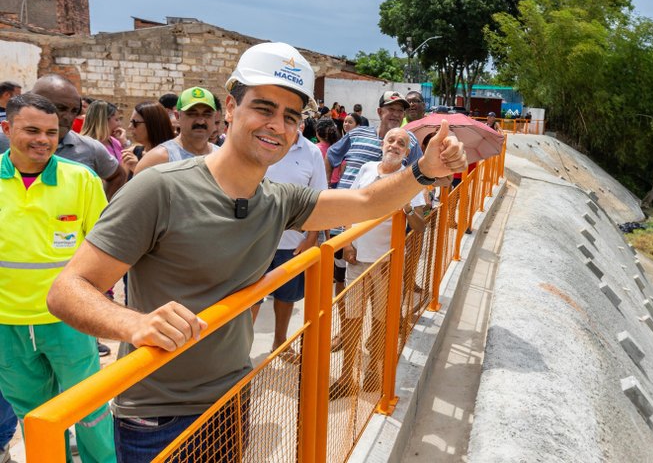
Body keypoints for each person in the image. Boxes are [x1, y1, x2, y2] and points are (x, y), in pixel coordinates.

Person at [46, 41, 467, 460]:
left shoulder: (277, 200)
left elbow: (365, 203)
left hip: (232, 398)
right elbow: (67, 290)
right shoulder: (160, 189)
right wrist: (133, 324)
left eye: (290, 116)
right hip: (159, 416)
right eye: (264, 108)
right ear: (231, 108)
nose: (277, 126)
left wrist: (425, 170)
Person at [0, 93, 115, 462]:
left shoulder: (80, 179)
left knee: (90, 408)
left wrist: (97, 306)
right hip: (7, 325)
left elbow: (105, 246)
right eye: (32, 130)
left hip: (69, 319)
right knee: (34, 415)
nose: (43, 140)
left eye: (51, 132)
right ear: (7, 129)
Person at [332, 127, 428, 396]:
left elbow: (420, 226)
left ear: (407, 152)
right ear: (383, 144)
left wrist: (406, 207)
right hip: (357, 259)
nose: (395, 145)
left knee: (380, 320)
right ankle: (346, 378)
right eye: (391, 140)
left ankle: (373, 369)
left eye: (401, 143)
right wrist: (347, 242)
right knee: (352, 319)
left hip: (387, 263)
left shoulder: (409, 179)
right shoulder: (366, 169)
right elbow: (349, 206)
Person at [251, 125, 328, 352]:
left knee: (287, 297)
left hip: (293, 244)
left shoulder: (312, 152)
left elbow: (319, 197)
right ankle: (242, 352)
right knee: (250, 299)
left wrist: (311, 238)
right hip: (256, 242)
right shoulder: (261, 142)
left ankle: (280, 343)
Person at [27, 74, 126, 200]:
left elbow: (118, 176)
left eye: (74, 111)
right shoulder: (7, 140)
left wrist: (102, 208)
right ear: (33, 104)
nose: (68, 117)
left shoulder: (90, 148)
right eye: (61, 108)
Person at [326, 90, 422, 190]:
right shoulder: (356, 134)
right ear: (379, 112)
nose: (396, 114)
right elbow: (331, 155)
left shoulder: (409, 140)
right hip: (343, 197)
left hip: (381, 199)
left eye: (400, 111)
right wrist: (326, 184)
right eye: (391, 109)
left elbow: (420, 172)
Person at [134, 87, 219, 174]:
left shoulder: (222, 157)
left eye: (207, 114)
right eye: (192, 114)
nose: (200, 121)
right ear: (177, 116)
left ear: (215, 117)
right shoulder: (157, 160)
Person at [121, 102, 176, 177]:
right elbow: (122, 183)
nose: (130, 127)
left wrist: (137, 168)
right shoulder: (132, 153)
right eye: (131, 122)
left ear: (153, 124)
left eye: (135, 123)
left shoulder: (172, 156)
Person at [81, 101, 125, 167]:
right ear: (103, 121)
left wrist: (125, 143)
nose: (119, 124)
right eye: (116, 120)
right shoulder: (84, 145)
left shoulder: (116, 142)